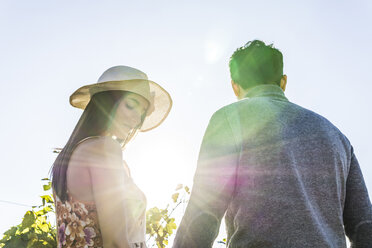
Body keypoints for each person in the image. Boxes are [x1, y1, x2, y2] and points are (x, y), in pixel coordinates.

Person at [173, 40, 372, 247]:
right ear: (283, 82)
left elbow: (203, 213)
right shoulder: (337, 136)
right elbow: (365, 226)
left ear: (235, 87)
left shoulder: (230, 118)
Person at [51, 65, 172, 248]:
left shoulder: (74, 154)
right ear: (107, 101)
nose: (135, 119)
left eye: (141, 112)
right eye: (131, 105)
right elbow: (116, 242)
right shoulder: (105, 148)